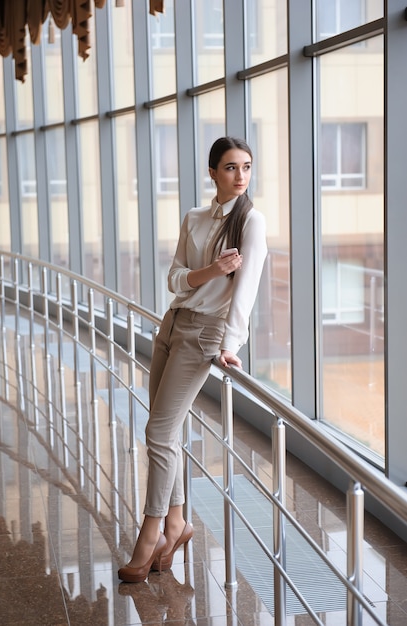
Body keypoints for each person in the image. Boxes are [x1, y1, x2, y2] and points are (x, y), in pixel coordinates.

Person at [118, 136, 268, 583]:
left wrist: (232, 344)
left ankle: (150, 533)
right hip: (171, 326)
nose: (240, 176)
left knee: (158, 431)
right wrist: (213, 270)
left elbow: (248, 287)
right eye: (230, 168)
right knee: (168, 430)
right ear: (212, 172)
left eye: (246, 167)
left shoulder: (251, 221)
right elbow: (176, 279)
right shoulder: (195, 218)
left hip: (204, 334)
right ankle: (178, 522)